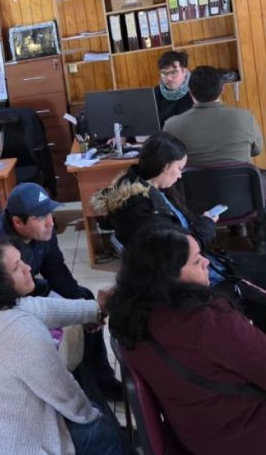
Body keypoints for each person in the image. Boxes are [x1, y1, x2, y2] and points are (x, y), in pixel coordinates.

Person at [0, 238, 130, 455]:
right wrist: (94, 417)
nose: (28, 268)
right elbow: (67, 396)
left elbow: (39, 308)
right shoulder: (20, 332)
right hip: (6, 447)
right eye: (16, 267)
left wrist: (96, 309)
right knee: (102, 430)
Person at [108, 227, 266, 455]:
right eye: (196, 261)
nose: (206, 263)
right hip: (242, 434)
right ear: (168, 276)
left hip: (197, 432)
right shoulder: (208, 322)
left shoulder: (129, 315)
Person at [92, 132, 266, 328]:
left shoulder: (149, 189)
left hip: (203, 263)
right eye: (179, 168)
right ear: (165, 166)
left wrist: (202, 223)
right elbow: (179, 252)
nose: (181, 174)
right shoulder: (141, 210)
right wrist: (206, 225)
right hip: (196, 276)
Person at [0, 182, 122, 399]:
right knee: (67, 321)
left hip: (29, 288)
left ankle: (101, 379)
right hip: (1, 309)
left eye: (50, 213)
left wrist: (84, 309)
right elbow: (1, 307)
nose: (51, 222)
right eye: (41, 217)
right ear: (17, 222)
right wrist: (71, 312)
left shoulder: (44, 232)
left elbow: (56, 270)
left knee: (84, 299)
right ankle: (73, 386)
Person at [163, 65, 263, 166]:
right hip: (241, 176)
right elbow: (257, 150)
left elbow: (168, 160)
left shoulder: (171, 125)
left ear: (190, 92)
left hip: (195, 177)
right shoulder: (245, 117)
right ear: (222, 89)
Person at [154, 50, 194, 127]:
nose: (169, 78)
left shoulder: (196, 90)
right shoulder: (154, 93)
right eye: (164, 73)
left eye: (173, 72)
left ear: (184, 71)